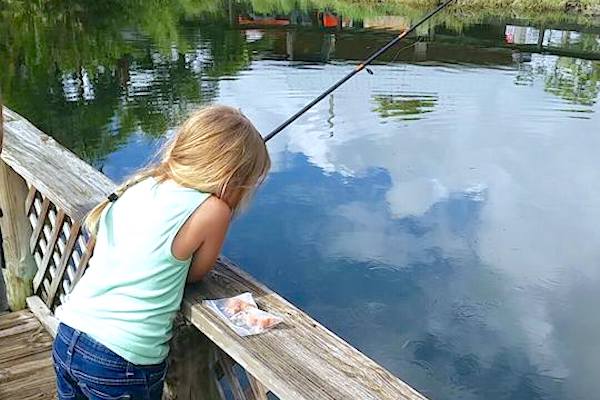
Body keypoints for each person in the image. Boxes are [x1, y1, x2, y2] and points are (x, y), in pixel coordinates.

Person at [52, 105, 271, 400]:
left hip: (70, 333)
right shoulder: (213, 210)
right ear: (232, 177)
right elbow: (196, 274)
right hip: (121, 359)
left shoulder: (142, 186)